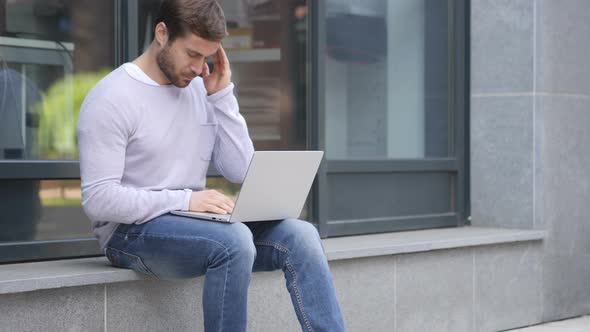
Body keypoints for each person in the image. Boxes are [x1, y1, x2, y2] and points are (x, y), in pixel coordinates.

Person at [76, 1, 345, 331]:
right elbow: (99, 200)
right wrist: (186, 200)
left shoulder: (199, 90)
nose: (199, 67)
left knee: (301, 235)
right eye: (192, 54)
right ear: (162, 33)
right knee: (232, 242)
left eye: (207, 56)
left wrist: (222, 97)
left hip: (196, 225)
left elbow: (241, 169)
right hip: (129, 234)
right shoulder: (113, 98)